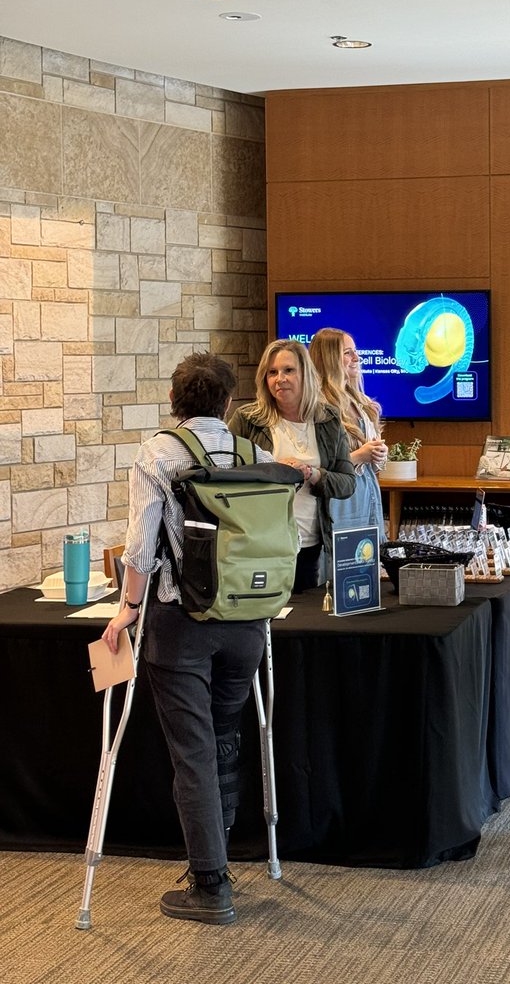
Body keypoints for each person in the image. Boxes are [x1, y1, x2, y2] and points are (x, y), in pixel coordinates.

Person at [101, 353, 272, 925]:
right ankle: (218, 855)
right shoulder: (254, 455)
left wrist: (127, 609)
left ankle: (210, 882)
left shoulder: (157, 453)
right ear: (228, 404)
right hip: (247, 622)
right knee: (224, 736)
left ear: (174, 402)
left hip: (182, 626)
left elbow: (140, 548)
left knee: (193, 752)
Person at [228, 338, 355, 591]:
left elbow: (347, 483)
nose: (279, 379)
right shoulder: (247, 420)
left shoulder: (328, 419)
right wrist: (272, 470)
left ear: (305, 374)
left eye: (288, 370)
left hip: (309, 543)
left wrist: (312, 474)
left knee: (303, 620)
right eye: (272, 372)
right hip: (261, 544)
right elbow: (227, 477)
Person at [309, 328, 387, 545]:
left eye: (355, 351)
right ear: (329, 358)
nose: (356, 358)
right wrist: (360, 456)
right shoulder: (318, 407)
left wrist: (379, 453)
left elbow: (373, 462)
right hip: (341, 501)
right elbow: (317, 467)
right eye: (348, 353)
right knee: (344, 567)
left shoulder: (361, 402)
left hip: (367, 493)